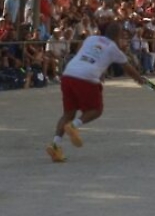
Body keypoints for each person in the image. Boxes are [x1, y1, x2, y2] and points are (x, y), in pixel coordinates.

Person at [46, 22, 147, 163]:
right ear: (118, 35)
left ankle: (55, 145)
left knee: (68, 113)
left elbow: (85, 54)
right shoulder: (114, 48)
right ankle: (74, 126)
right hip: (86, 77)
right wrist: (140, 79)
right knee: (96, 110)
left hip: (68, 74)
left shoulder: (91, 39)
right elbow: (128, 68)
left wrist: (101, 70)